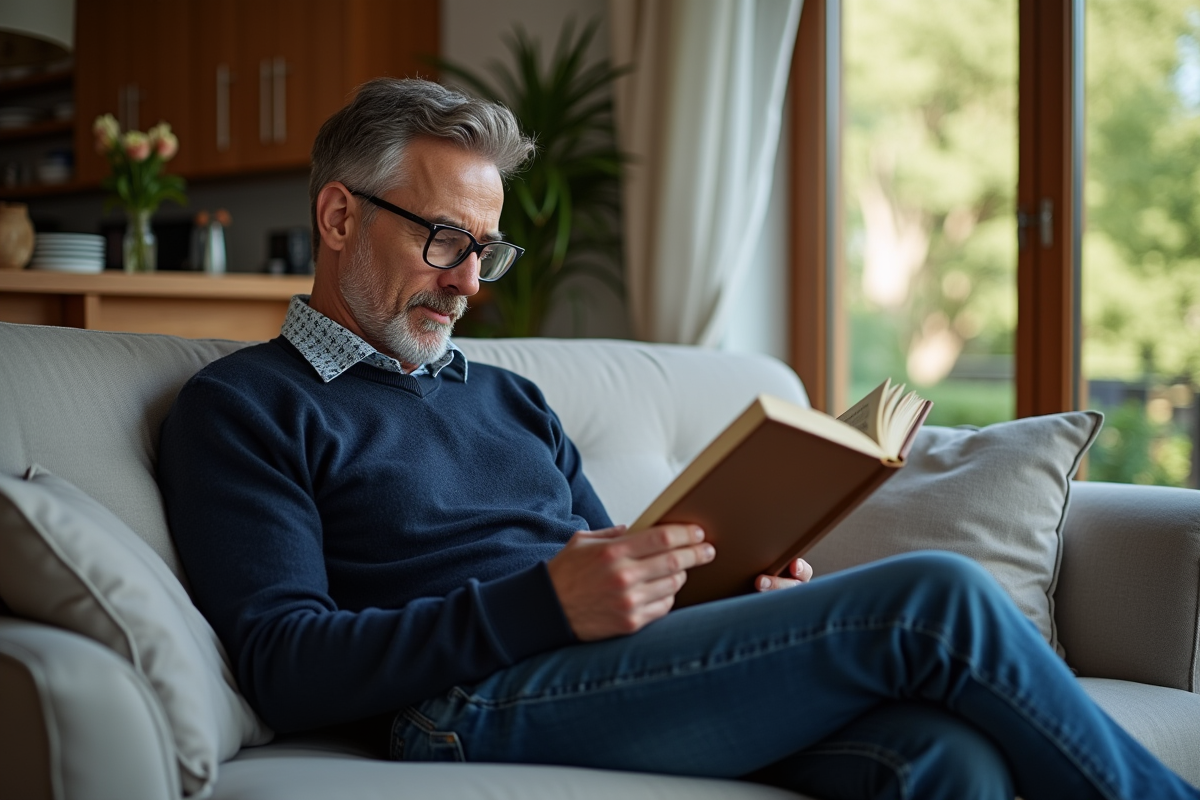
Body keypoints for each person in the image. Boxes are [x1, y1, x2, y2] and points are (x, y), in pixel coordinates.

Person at [157, 77, 1198, 800]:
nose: (470, 281)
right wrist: (540, 601)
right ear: (339, 217)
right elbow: (285, 662)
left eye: (485, 248)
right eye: (442, 240)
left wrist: (729, 589)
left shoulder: (506, 398)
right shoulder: (247, 407)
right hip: (460, 701)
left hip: (591, 671)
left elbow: (619, 564)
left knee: (944, 758)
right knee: (941, 594)